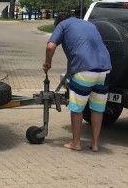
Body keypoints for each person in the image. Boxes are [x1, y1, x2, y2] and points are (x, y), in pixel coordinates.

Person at [43, 17, 111, 152]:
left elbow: (50, 46)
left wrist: (48, 63)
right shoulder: (89, 24)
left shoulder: (62, 25)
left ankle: (76, 143)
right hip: (105, 69)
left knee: (77, 108)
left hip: (84, 69)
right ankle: (95, 144)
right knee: (97, 108)